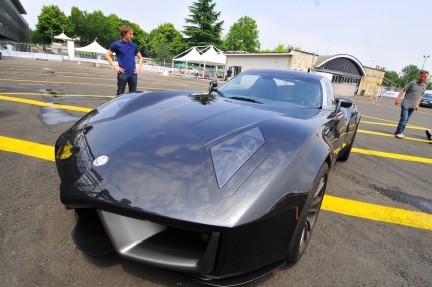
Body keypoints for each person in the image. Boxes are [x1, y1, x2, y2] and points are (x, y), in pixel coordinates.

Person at [106, 25, 143, 96]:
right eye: (130, 34)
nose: (132, 36)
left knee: (132, 96)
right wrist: (115, 67)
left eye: (132, 34)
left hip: (133, 74)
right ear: (124, 34)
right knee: (119, 95)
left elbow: (141, 58)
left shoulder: (134, 46)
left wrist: (139, 68)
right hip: (123, 74)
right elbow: (107, 55)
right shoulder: (116, 44)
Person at [394, 70, 429, 139]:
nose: (423, 78)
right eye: (422, 76)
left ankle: (399, 132)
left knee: (406, 119)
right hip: (406, 104)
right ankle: (398, 133)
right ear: (419, 76)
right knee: (404, 118)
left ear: (427, 77)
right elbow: (403, 90)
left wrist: (417, 104)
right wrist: (398, 98)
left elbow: (421, 96)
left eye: (425, 77)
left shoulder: (425, 85)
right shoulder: (412, 83)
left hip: (413, 106)